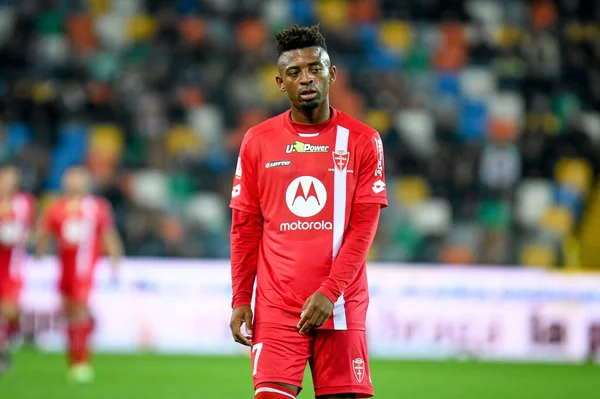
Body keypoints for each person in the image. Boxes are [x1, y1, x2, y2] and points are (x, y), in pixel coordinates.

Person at [229, 25, 387, 399]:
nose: (306, 78)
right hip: (276, 308)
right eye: (295, 72)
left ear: (331, 74)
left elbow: (363, 229)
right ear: (280, 82)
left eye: (315, 68)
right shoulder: (257, 141)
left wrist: (330, 293)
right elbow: (245, 229)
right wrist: (240, 299)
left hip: (341, 306)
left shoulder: (363, 140)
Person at [36, 166, 123, 383]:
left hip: (84, 267)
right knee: (69, 312)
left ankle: (81, 362)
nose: (74, 183)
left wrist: (115, 257)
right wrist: (39, 250)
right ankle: (75, 357)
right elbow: (45, 232)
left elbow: (108, 233)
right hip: (64, 268)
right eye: (70, 179)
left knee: (79, 309)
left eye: (78, 179)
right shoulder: (56, 207)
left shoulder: (97, 207)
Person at [0, 166, 34, 373]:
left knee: (11, 311)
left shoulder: (24, 202)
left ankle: (4, 345)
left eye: (12, 178)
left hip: (12, 266)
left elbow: (25, 228)